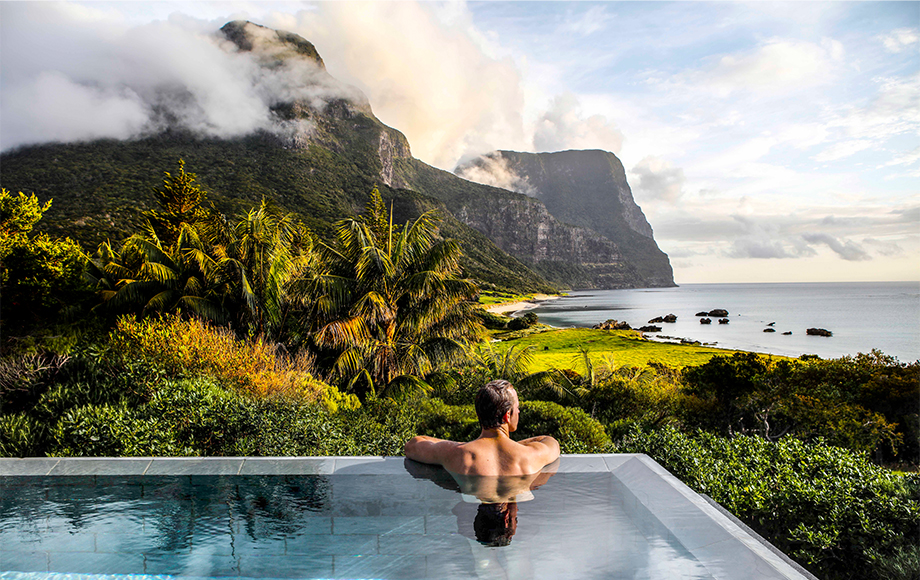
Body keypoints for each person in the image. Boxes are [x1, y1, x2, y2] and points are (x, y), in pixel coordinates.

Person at [404, 379, 560, 476]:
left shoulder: (457, 454)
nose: (519, 411)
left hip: (474, 509)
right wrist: (511, 448)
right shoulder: (529, 455)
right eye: (517, 407)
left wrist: (458, 446)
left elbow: (412, 446)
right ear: (507, 415)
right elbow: (551, 442)